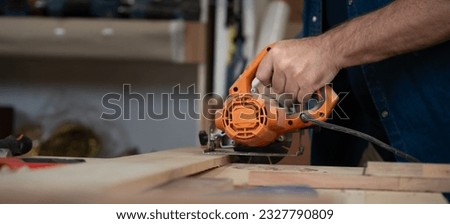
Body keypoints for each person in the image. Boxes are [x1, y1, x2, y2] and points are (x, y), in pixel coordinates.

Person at [256, 0, 450, 165]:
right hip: (365, 146)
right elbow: (339, 19)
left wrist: (327, 50)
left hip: (431, 147)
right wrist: (287, 71)